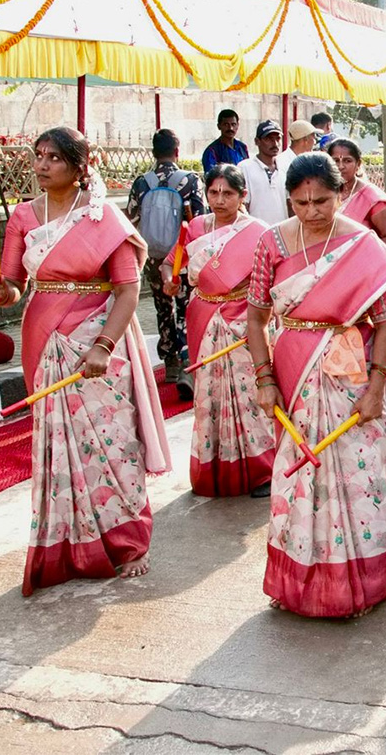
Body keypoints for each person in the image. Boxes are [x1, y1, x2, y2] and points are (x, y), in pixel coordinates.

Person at [246, 153, 386, 618]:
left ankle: (360, 584)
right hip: (293, 371)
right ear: (289, 199)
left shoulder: (362, 244)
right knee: (301, 478)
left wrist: (376, 388)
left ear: (340, 195)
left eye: (323, 201)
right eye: (301, 202)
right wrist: (264, 377)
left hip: (351, 376)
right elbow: (255, 317)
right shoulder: (271, 243)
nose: (312, 211)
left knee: (361, 473)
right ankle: (305, 585)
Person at [0, 127, 170, 595]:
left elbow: (128, 290)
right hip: (43, 338)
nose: (42, 165)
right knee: (57, 443)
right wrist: (0, 292)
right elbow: (14, 286)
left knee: (111, 440)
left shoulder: (103, 219)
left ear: (79, 165)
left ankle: (127, 542)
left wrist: (103, 346)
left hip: (97, 343)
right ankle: (66, 544)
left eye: (54, 158)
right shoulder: (25, 217)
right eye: (38, 156)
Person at [163, 164, 274, 497]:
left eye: (228, 193)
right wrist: (171, 278)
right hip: (202, 316)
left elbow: (272, 278)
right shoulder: (195, 226)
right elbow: (172, 261)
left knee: (247, 392)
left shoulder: (259, 231)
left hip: (243, 317)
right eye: (214, 192)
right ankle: (215, 468)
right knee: (208, 394)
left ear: (243, 196)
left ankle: (262, 471)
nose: (220, 199)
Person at [126, 128, 205, 391]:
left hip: (153, 258)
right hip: (181, 256)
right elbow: (200, 220)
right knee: (185, 308)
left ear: (153, 151)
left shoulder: (141, 182)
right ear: (177, 150)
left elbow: (131, 220)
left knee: (162, 309)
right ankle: (186, 360)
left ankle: (170, 361)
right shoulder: (190, 180)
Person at [328, 138, 386, 250]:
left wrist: (363, 259)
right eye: (335, 161)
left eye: (347, 161)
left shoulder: (371, 197)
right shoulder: (325, 192)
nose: (341, 166)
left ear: (358, 164)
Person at [241, 120, 293, 226]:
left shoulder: (287, 167)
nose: (275, 144)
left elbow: (291, 203)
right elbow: (243, 206)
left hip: (282, 233)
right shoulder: (244, 168)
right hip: (255, 234)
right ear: (257, 141)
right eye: (268, 139)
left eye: (277, 138)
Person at [201, 109, 248, 173]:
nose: (230, 128)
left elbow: (248, 170)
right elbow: (210, 177)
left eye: (233, 124)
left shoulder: (243, 147)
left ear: (237, 126)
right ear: (219, 126)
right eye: (226, 124)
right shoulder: (212, 151)